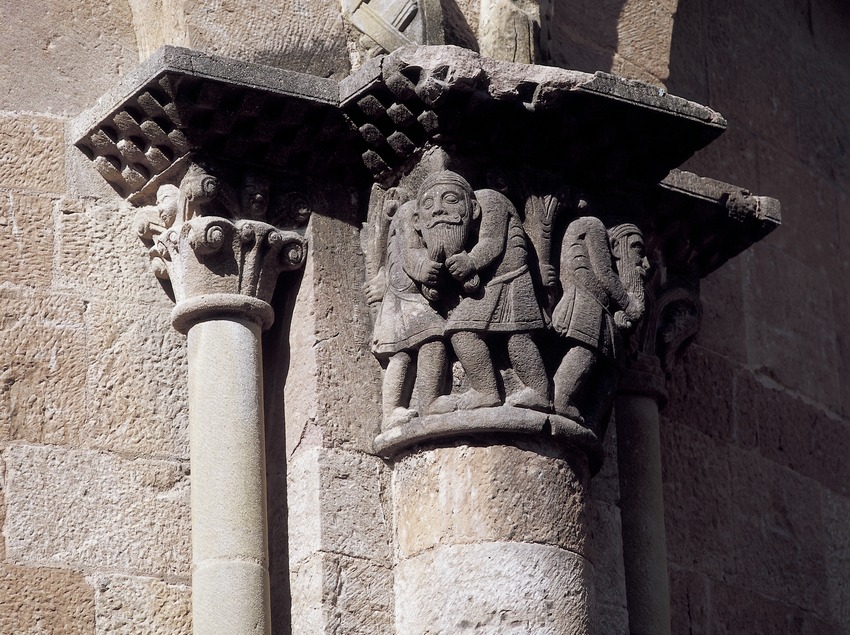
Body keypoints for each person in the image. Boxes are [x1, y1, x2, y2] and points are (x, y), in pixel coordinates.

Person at [552, 217, 648, 434]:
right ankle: (561, 397)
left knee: (612, 368)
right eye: (637, 250)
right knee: (587, 352)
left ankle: (592, 421)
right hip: (585, 304)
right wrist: (628, 303)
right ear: (615, 246)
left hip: (601, 309)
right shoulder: (593, 226)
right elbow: (604, 273)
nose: (645, 263)